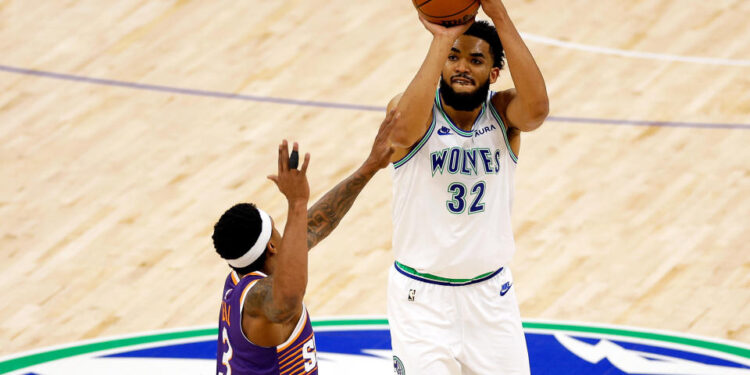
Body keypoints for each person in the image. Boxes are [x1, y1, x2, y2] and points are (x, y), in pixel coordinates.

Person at [385, 0, 549, 373]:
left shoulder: (503, 115)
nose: (462, 66)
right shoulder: (418, 112)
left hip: (490, 296)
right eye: (455, 58)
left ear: (493, 74)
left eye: (475, 60)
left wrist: (500, 17)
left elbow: (537, 109)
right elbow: (402, 131)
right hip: (421, 298)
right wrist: (442, 39)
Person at [213, 111, 397, 375]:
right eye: (278, 230)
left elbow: (312, 225)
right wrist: (296, 202)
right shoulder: (257, 302)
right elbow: (288, 297)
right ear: (273, 247)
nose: (287, 235)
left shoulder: (238, 279)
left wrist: (370, 166)